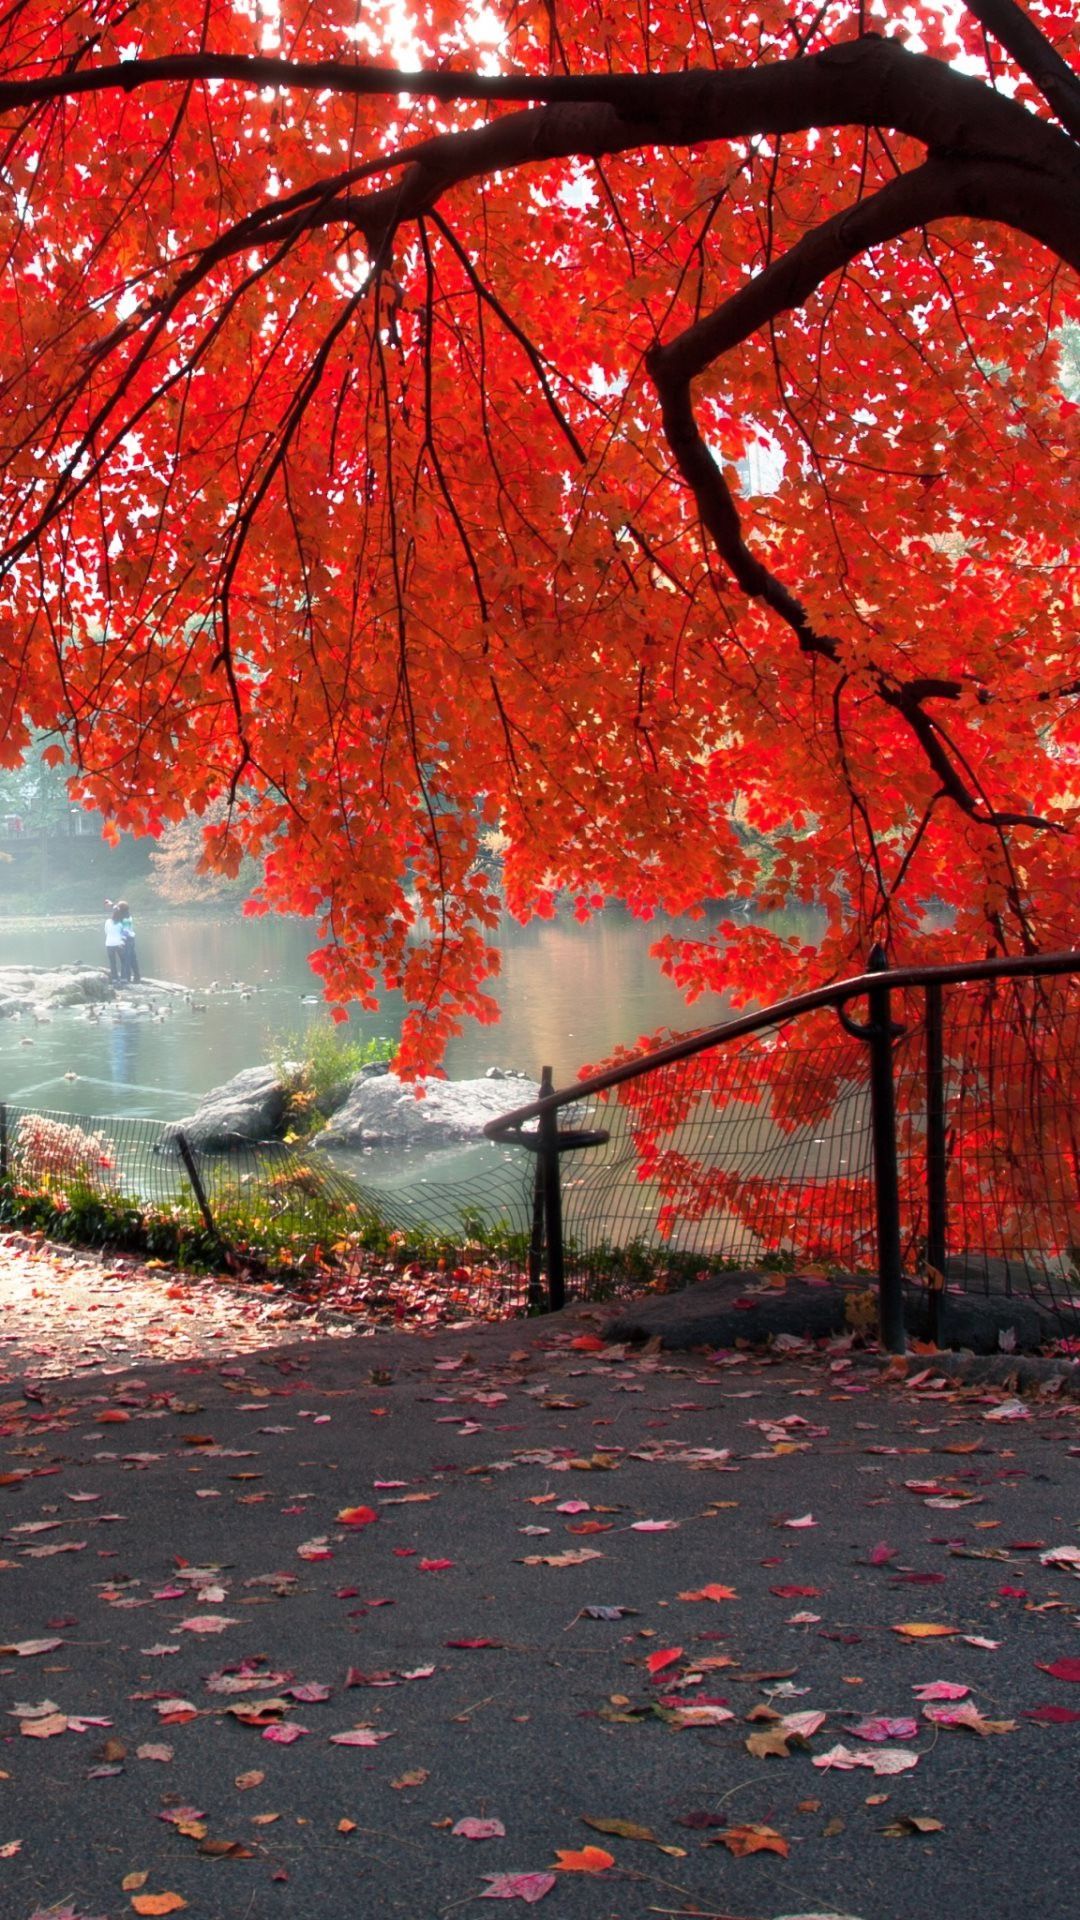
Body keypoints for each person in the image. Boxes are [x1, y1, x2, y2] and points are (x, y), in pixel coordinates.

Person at [115, 900, 140, 984]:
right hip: (131, 939)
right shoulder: (126, 914)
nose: (117, 909)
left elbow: (125, 931)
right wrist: (111, 904)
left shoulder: (125, 919)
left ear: (121, 909)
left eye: (118, 907)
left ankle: (127, 978)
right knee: (133, 958)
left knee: (127, 959)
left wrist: (122, 941)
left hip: (127, 940)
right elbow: (116, 908)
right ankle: (137, 977)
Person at [104, 904, 125, 982]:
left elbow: (106, 932)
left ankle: (114, 979)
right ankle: (123, 978)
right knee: (123, 961)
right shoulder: (121, 923)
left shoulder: (107, 922)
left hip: (109, 944)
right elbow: (123, 934)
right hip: (119, 944)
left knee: (112, 962)